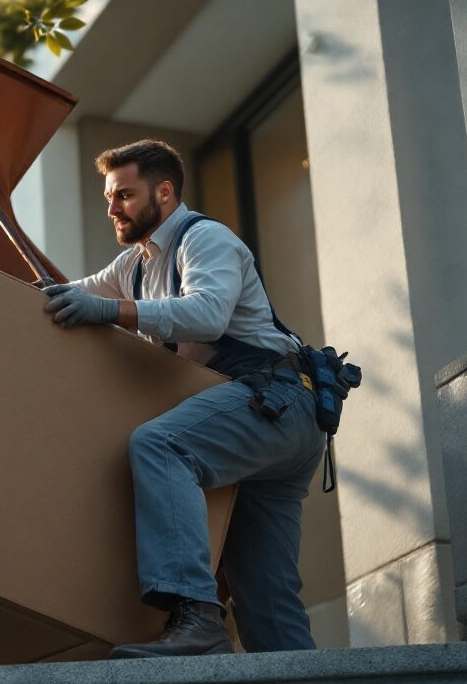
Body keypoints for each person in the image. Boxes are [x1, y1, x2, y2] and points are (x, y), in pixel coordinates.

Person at [41, 139, 323, 657]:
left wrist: (110, 313)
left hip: (277, 399)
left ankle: (196, 618)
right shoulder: (134, 266)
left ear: (165, 192)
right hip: (269, 418)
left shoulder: (205, 238)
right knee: (265, 593)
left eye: (124, 195)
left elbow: (208, 313)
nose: (112, 208)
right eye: (109, 197)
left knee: (162, 446)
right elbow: (68, 296)